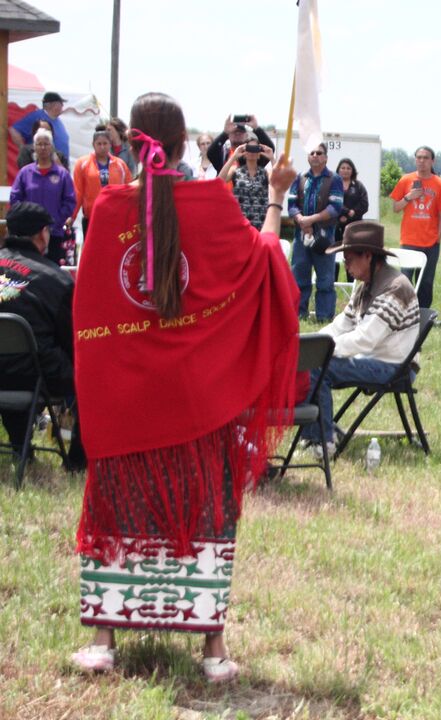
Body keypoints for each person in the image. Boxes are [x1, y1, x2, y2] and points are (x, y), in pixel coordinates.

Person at [69, 92, 299, 681]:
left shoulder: (110, 210)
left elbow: (91, 310)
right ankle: (212, 650)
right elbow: (265, 261)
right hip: (199, 400)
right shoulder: (216, 204)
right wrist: (276, 194)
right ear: (179, 145)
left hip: (126, 402)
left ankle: (104, 639)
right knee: (205, 510)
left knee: (120, 507)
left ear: (128, 145)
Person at [300, 221, 420, 459]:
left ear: (368, 256)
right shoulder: (365, 284)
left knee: (316, 367)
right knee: (308, 362)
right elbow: (341, 325)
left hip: (394, 366)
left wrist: (319, 352)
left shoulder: (395, 287)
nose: (346, 265)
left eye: (348, 259)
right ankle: (318, 433)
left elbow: (365, 340)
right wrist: (308, 343)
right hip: (374, 358)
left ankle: (323, 441)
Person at [0, 202, 85, 470]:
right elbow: (73, 343)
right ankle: (77, 461)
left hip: (7, 371)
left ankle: (19, 448)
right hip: (34, 374)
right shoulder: (56, 281)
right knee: (89, 374)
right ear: (41, 234)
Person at [288, 142, 344, 322]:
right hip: (300, 235)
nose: (315, 156)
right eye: (312, 153)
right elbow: (291, 205)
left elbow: (335, 207)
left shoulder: (334, 179)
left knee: (325, 280)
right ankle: (298, 315)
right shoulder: (300, 177)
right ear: (308, 157)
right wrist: (301, 221)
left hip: (324, 236)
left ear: (326, 157)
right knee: (299, 278)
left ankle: (324, 317)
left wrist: (311, 220)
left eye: (319, 153)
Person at [389, 146, 441, 309]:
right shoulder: (405, 180)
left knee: (426, 281)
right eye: (419, 157)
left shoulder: (440, 184)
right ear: (415, 159)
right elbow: (395, 208)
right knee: (405, 280)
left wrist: (438, 237)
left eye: (425, 158)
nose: (422, 161)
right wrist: (409, 197)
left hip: (430, 241)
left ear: (432, 161)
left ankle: (423, 312)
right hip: (409, 239)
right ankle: (403, 311)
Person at [9, 129, 76, 266]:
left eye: (46, 144)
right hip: (28, 235)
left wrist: (55, 221)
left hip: (54, 232)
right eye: (39, 144)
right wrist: (25, 221)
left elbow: (70, 201)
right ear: (34, 147)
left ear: (51, 147)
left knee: (52, 270)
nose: (43, 147)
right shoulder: (25, 173)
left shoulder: (62, 174)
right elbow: (15, 198)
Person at [70, 129, 133, 238]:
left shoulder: (120, 165)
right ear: (93, 145)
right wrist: (72, 215)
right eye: (99, 144)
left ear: (110, 144)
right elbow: (78, 192)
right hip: (92, 217)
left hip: (115, 216)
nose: (102, 147)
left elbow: (129, 190)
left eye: (105, 143)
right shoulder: (82, 164)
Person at [219, 135, 273, 227]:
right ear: (244, 151)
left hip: (260, 223)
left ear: (259, 152)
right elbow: (219, 181)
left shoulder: (266, 172)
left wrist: (272, 158)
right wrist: (233, 157)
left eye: (255, 148)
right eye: (249, 148)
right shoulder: (235, 170)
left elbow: (279, 182)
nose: (252, 152)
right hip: (239, 223)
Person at [11, 91, 70, 160]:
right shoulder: (37, 116)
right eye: (60, 103)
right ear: (51, 105)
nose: (62, 105)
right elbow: (14, 130)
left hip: (60, 164)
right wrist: (23, 149)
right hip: (45, 163)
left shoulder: (57, 120)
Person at [207, 114, 275, 173]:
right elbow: (210, 153)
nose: (237, 134)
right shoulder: (223, 154)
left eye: (241, 132)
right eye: (234, 132)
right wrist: (224, 133)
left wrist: (256, 128)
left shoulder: (252, 153)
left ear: (246, 135)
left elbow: (269, 149)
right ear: (228, 136)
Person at [334, 158, 370, 247]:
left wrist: (353, 212)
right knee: (335, 253)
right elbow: (331, 201)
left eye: (348, 168)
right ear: (338, 170)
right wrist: (345, 212)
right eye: (343, 168)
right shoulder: (332, 185)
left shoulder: (358, 186)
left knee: (354, 253)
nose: (345, 170)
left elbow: (364, 204)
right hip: (336, 225)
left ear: (352, 171)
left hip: (355, 226)